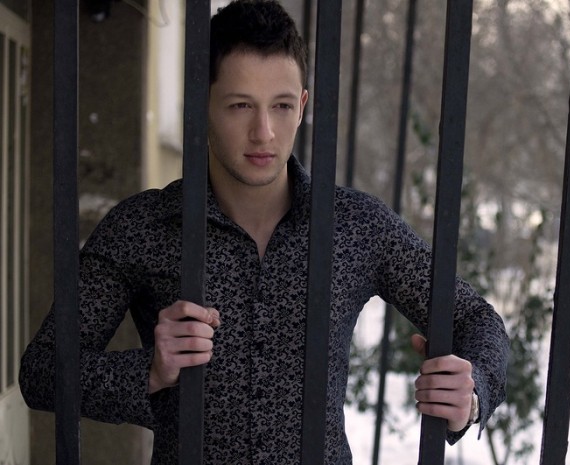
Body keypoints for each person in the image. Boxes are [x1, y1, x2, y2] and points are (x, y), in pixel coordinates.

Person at [20, 1, 509, 463]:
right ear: (202, 103)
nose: (264, 133)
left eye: (281, 106)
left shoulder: (355, 225)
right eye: (240, 106)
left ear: (302, 105)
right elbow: (41, 371)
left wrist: (473, 392)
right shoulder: (143, 226)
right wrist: (148, 371)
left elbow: (475, 317)